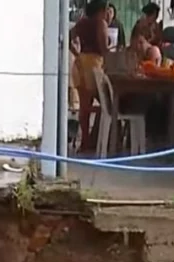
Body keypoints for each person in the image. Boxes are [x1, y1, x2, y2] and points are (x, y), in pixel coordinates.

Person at [69, 0, 110, 153]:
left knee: (84, 107)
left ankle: (85, 141)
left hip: (80, 64)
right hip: (94, 65)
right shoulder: (101, 24)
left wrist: (76, 54)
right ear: (101, 10)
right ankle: (95, 140)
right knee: (107, 104)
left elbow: (69, 38)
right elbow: (103, 49)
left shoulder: (82, 23)